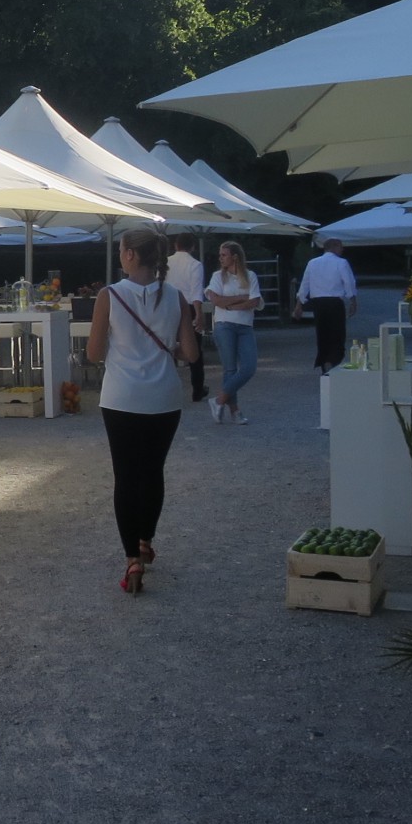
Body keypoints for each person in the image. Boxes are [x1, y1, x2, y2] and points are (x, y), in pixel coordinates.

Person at [86, 226, 200, 596]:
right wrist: (166, 348)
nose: (120, 255)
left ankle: (131, 558)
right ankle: (146, 540)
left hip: (121, 397)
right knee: (152, 472)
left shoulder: (110, 295)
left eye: (121, 250)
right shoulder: (176, 296)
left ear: (131, 255)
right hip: (164, 397)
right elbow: (191, 353)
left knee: (125, 476)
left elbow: (93, 353)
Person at [205, 240, 263, 424]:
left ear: (235, 257)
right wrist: (240, 298)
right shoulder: (217, 276)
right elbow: (216, 301)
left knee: (249, 367)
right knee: (230, 369)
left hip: (245, 326)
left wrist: (229, 303)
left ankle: (219, 400)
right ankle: (235, 411)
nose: (220, 258)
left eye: (224, 255)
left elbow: (254, 301)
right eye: (220, 255)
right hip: (224, 325)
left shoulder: (250, 276)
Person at [293, 238, 357, 372]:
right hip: (334, 302)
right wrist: (352, 300)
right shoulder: (341, 263)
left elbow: (305, 284)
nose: (342, 249)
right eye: (340, 246)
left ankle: (324, 362)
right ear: (334, 247)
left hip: (318, 303)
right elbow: (348, 282)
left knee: (323, 334)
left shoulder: (312, 263)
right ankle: (333, 359)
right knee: (337, 334)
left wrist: (299, 304)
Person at [165, 233, 208, 402]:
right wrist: (199, 314)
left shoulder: (165, 263)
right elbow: (196, 291)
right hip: (188, 307)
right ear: (193, 247)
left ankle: (167, 388)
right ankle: (197, 389)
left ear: (175, 245)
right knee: (194, 348)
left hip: (167, 306)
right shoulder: (195, 265)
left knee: (166, 346)